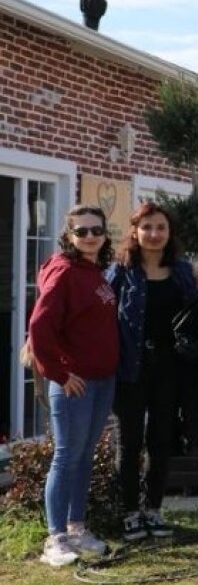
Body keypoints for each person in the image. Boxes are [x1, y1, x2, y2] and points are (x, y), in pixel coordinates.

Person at [28, 205, 119, 566]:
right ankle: (56, 538)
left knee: (83, 457)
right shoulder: (64, 271)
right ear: (68, 236)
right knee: (66, 456)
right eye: (82, 232)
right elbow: (39, 327)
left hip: (101, 380)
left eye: (96, 230)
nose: (90, 237)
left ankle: (77, 528)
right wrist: (60, 373)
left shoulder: (93, 271)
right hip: (74, 385)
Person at [107, 202, 198, 542]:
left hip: (170, 369)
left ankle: (155, 509)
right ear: (135, 231)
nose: (154, 234)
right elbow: (102, 318)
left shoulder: (183, 272)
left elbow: (195, 317)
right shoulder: (120, 271)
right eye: (147, 227)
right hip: (131, 369)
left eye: (160, 227)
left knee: (161, 441)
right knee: (129, 442)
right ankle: (130, 512)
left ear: (169, 232)